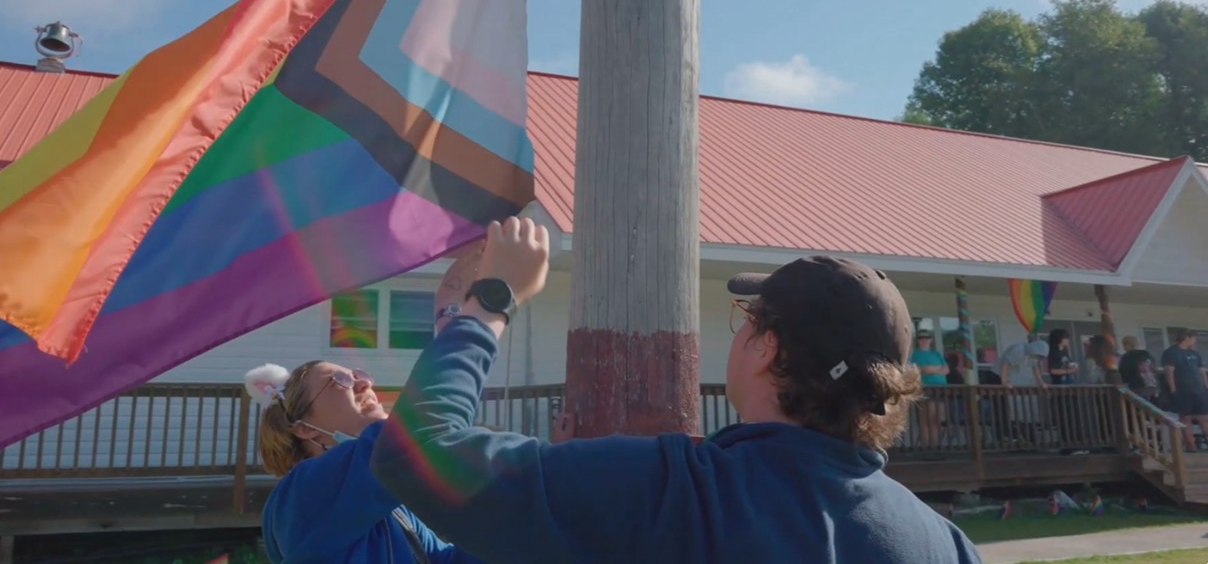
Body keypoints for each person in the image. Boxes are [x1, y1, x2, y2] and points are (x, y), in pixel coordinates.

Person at [368, 217, 981, 564]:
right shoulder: (947, 545)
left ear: (768, 349)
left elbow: (418, 451)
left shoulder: (679, 490)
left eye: (747, 319)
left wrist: (487, 305)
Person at [246, 353, 483, 562]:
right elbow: (412, 431)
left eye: (358, 375)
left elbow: (440, 559)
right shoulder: (301, 493)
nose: (365, 383)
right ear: (304, 428)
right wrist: (468, 330)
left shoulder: (391, 505)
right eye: (339, 379)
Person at [1161, 329, 1208, 451]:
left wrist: (1206, 386)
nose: (1195, 341)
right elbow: (1169, 371)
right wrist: (1173, 389)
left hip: (1199, 390)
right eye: (1193, 338)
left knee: (1204, 417)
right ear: (1187, 337)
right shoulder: (1171, 352)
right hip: (1183, 391)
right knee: (1185, 417)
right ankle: (1190, 445)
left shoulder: (1195, 354)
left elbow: (1201, 371)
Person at [911, 328, 949, 448]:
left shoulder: (936, 354)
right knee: (927, 419)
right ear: (917, 341)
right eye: (921, 338)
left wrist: (931, 369)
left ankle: (936, 445)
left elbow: (946, 370)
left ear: (931, 340)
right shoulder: (915, 354)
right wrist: (936, 368)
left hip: (941, 389)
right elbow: (922, 370)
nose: (924, 340)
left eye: (926, 337)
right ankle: (927, 446)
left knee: (937, 419)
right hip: (926, 388)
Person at [1117, 335, 1159, 402]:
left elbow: (1124, 374)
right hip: (1153, 387)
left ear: (1128, 345)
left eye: (1124, 345)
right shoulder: (1148, 355)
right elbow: (1154, 369)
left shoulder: (1127, 357)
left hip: (1137, 388)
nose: (1124, 348)